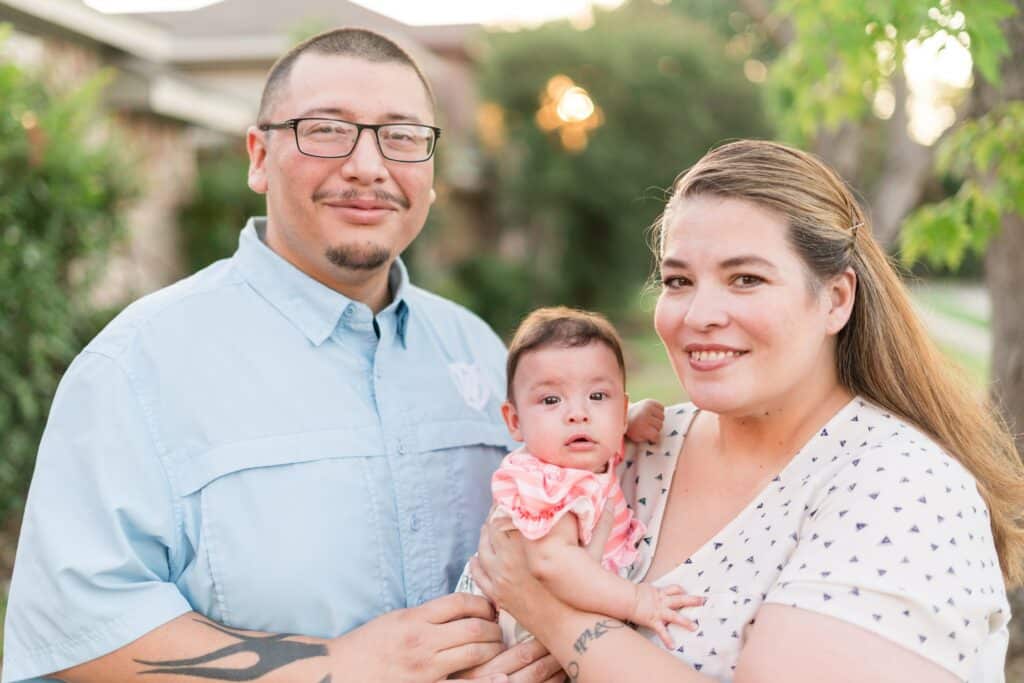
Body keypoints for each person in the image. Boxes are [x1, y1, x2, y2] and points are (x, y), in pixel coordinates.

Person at [3, 28, 569, 683]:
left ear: (432, 171)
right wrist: (341, 663)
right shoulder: (136, 366)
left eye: (402, 136)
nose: (367, 165)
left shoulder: (478, 350)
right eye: (326, 129)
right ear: (258, 157)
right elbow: (75, 634)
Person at [470, 139, 1024, 682]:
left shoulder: (902, 487)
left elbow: (528, 584)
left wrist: (555, 616)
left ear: (836, 299)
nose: (700, 313)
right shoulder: (637, 444)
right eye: (679, 281)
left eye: (746, 279)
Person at [456, 307, 701, 649]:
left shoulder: (583, 451)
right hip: (512, 629)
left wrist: (630, 419)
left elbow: (599, 425)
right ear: (514, 422)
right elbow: (552, 563)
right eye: (551, 399)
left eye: (598, 396)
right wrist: (637, 602)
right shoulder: (546, 482)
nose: (578, 414)